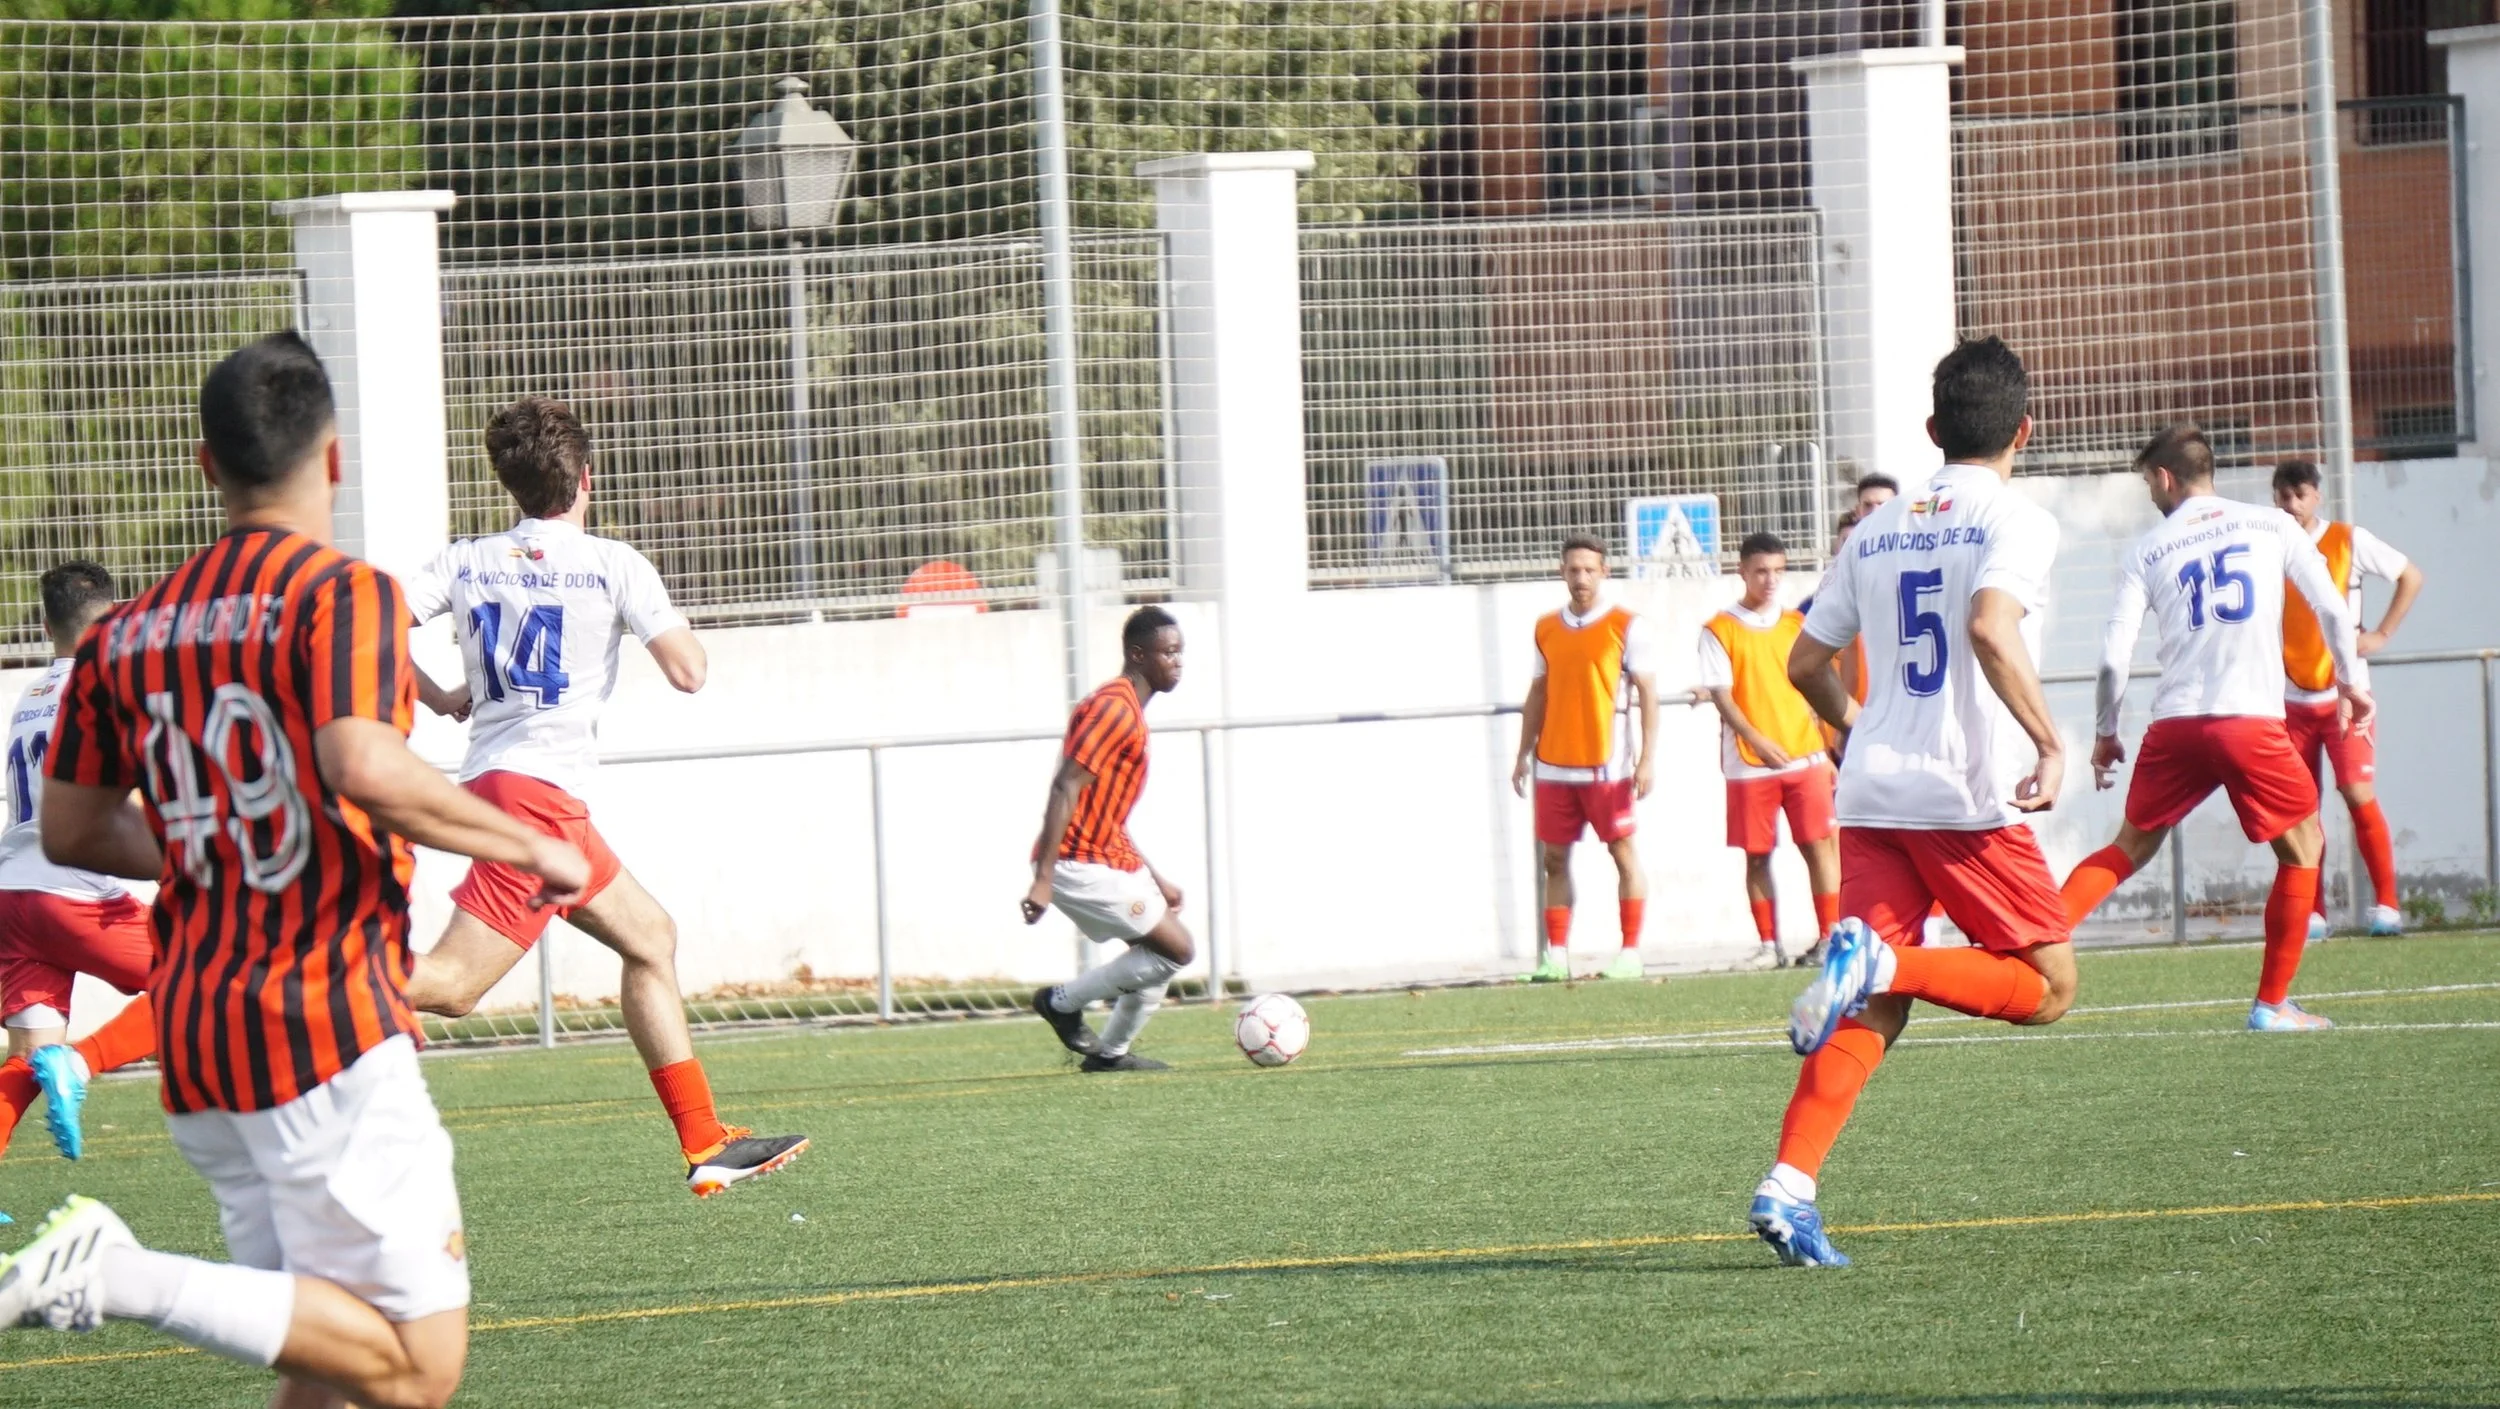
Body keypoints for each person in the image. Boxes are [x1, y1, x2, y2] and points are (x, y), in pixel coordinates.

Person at [1, 331, 590, 1407]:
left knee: (328, 1367)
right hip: (322, 1023)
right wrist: (529, 842)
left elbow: (75, 828)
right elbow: (361, 761)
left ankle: (120, 1270)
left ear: (206, 464)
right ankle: (113, 1271)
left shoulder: (127, 633)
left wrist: (212, 834)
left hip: (198, 1037)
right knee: (416, 1363)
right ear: (333, 459)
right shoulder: (341, 594)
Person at [400, 396, 805, 1197]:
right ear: (588, 477)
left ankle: (705, 1141)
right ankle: (284, 983)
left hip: (510, 789)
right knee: (452, 987)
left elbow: (367, 624)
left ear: (510, 484)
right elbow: (689, 671)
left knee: (651, 937)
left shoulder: (466, 559)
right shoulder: (615, 563)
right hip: (538, 804)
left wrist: (438, 694)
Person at [1750, 336, 2079, 1269]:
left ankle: (1789, 1186)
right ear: (2025, 429)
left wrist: (1862, 728)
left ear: (1933, 430)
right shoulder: (2018, 519)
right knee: (2051, 988)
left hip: (1873, 792)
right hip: (1961, 796)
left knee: (1875, 1010)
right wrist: (2051, 742)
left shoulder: (1875, 528)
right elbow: (1989, 627)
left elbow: (1804, 663)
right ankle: (1883, 959)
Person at [2057, 426, 2371, 1031]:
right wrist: (2351, 682)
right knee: (2303, 848)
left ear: (2165, 477)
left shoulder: (2147, 549)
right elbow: (2332, 608)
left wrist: (2105, 731)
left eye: (2148, 482)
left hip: (2176, 724)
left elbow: (2112, 658)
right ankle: (2272, 1005)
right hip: (2249, 721)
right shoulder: (2272, 524)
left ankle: (2034, 943)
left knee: (2128, 848)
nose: (2151, 493)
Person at [0, 560, 161, 1160]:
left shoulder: (31, 695)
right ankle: (82, 1062)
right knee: (207, 977)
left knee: (26, 1058)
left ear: (46, 627)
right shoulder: (108, 689)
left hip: (12, 894)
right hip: (73, 895)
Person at [1024, 606, 1193, 1071]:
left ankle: (1110, 1055)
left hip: (1107, 854)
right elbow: (1065, 786)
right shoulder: (1113, 709)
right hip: (1076, 861)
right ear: (1138, 655)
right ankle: (1060, 1003)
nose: (1177, 661)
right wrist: (1043, 878)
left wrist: (1155, 877)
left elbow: (1108, 812)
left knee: (1157, 953)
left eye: (1180, 652)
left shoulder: (1127, 709)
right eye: (1168, 652)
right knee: (1178, 949)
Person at [2270, 459, 2422, 938]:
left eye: (2300, 495)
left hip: (2346, 696)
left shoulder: (2347, 540)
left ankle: (2387, 906)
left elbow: (2410, 576)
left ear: (2317, 496)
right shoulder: (2268, 546)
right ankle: (2312, 912)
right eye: (2283, 496)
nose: (2291, 505)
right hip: (2288, 700)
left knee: (2357, 793)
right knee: (2301, 807)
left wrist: (2380, 633)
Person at [1510, 534, 1661, 982]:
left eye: (1589, 570)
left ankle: (1630, 952)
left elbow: (1648, 694)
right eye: (1574, 569)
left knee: (1622, 853)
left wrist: (1647, 759)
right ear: (1562, 572)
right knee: (1553, 860)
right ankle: (1556, 957)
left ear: (1604, 572)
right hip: (1554, 764)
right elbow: (1538, 692)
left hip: (1607, 766)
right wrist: (1522, 753)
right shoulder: (1546, 627)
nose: (1581, 578)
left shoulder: (1626, 625)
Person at [1692, 532, 1839, 968]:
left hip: (1805, 755)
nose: (1770, 580)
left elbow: (1819, 686)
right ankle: (1769, 945)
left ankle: (1830, 937)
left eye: (1778, 570)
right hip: (1750, 763)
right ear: (1742, 571)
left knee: (1819, 847)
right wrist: (1757, 739)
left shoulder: (1797, 624)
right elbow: (1723, 695)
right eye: (1761, 571)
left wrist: (1826, 747)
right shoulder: (1719, 629)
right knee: (1757, 855)